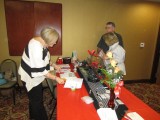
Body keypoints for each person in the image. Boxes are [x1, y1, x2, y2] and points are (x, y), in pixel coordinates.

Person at [18, 27, 65, 120]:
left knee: (34, 100)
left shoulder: (41, 41)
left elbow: (44, 60)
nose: (55, 43)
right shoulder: (35, 47)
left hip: (34, 74)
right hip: (30, 77)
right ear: (47, 40)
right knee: (37, 102)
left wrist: (54, 65)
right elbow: (40, 70)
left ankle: (33, 117)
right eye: (54, 41)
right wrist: (56, 78)